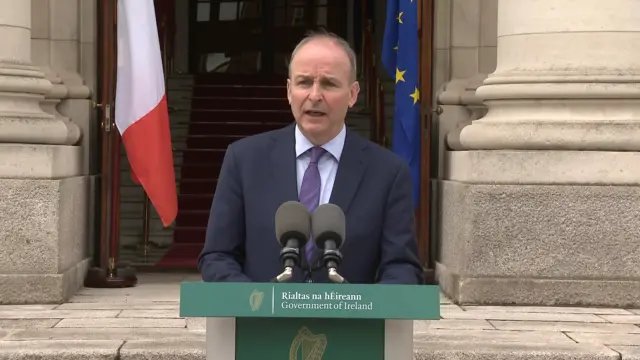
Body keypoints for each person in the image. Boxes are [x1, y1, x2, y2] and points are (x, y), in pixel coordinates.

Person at [198, 30, 423, 285]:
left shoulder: (389, 172)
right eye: (304, 82)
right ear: (289, 90)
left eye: (329, 84)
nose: (315, 96)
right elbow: (217, 256)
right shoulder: (244, 160)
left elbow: (402, 266)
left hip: (349, 323)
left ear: (353, 94)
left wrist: (367, 309)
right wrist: (257, 305)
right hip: (262, 322)